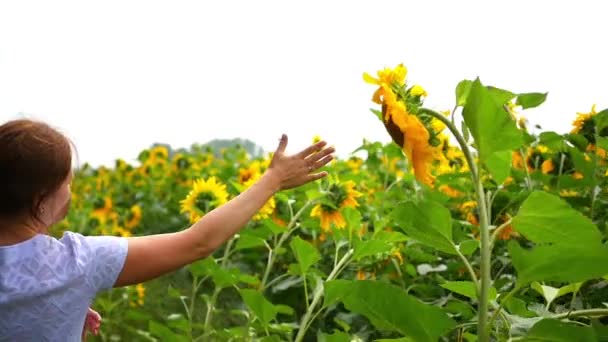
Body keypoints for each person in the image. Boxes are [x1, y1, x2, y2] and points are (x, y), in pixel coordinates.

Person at [0, 119, 335, 341]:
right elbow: (198, 242)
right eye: (67, 184)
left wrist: (60, 305)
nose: (71, 192)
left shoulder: (68, 275)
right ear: (41, 200)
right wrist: (273, 180)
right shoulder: (77, 264)